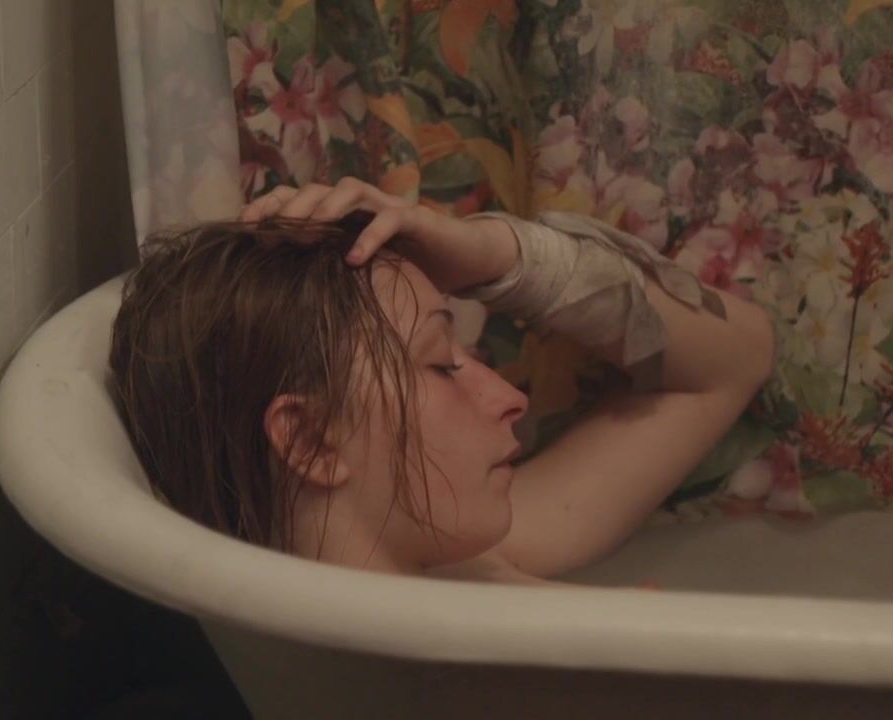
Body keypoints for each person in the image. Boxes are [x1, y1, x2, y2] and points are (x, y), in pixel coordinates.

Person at [108, 178, 775, 587]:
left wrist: (496, 257)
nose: (510, 399)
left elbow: (738, 357)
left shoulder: (462, 559)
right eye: (439, 364)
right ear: (310, 439)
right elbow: (733, 364)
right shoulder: (483, 661)